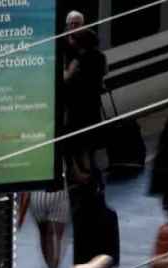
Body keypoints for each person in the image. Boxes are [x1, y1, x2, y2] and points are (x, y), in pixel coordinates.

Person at [62, 28, 107, 191]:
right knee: (88, 148)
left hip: (78, 109)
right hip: (93, 108)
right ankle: (94, 181)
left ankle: (81, 177)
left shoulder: (79, 59)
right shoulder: (101, 57)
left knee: (74, 144)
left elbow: (66, 77)